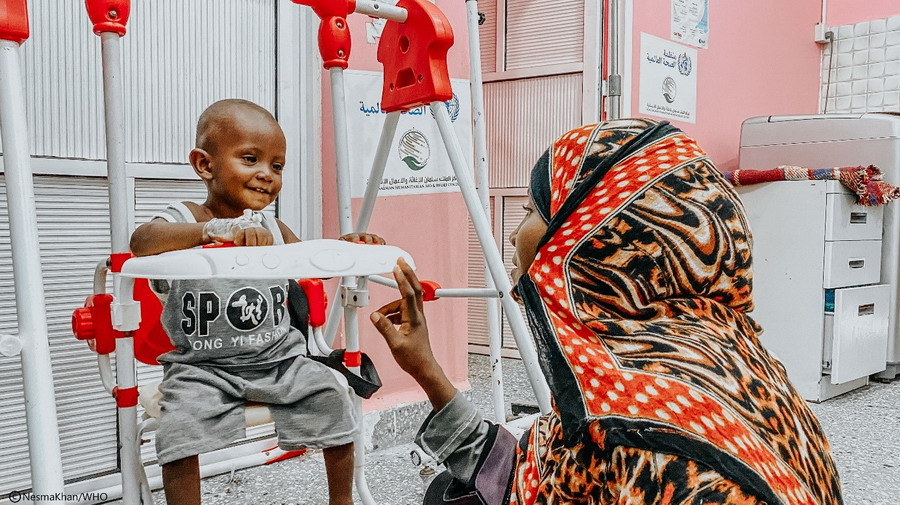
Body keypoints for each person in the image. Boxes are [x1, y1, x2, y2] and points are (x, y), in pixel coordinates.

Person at [371, 118, 843, 505]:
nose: (514, 236)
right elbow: (542, 468)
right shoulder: (691, 349)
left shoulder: (654, 448)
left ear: (590, 235)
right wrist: (426, 368)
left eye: (532, 211)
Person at [130, 99, 382, 505]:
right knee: (178, 427)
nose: (266, 174)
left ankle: (343, 500)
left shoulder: (272, 227)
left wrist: (344, 246)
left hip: (280, 362)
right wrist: (213, 230)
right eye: (250, 159)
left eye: (277, 166)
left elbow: (312, 263)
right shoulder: (183, 218)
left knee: (333, 396)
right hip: (203, 368)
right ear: (204, 164)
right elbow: (140, 242)